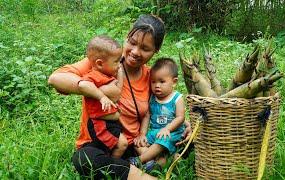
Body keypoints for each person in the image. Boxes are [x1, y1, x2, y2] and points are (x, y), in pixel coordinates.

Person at [48, 14, 191, 179]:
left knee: (188, 142)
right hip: (100, 143)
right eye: (132, 42)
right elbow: (56, 78)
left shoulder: (151, 77)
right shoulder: (103, 63)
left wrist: (185, 124)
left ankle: (130, 168)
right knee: (84, 159)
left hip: (134, 145)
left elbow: (163, 105)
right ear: (127, 36)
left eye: (145, 49)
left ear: (155, 51)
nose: (135, 52)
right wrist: (97, 90)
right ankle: (144, 175)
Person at [78, 35, 128, 158]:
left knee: (111, 147)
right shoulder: (94, 75)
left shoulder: (108, 76)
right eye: (116, 61)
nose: (118, 65)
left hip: (108, 122)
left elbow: (118, 90)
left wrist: (119, 71)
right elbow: (83, 85)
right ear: (100, 64)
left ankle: (109, 164)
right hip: (100, 123)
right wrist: (102, 97)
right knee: (122, 144)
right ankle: (112, 166)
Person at [130, 58, 185, 170]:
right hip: (155, 132)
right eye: (153, 82)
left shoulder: (177, 98)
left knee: (163, 140)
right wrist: (142, 134)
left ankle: (139, 161)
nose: (157, 85)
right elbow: (147, 116)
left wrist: (168, 129)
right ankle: (154, 162)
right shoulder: (152, 98)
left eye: (162, 81)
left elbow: (180, 118)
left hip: (172, 133)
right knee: (137, 143)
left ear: (174, 82)